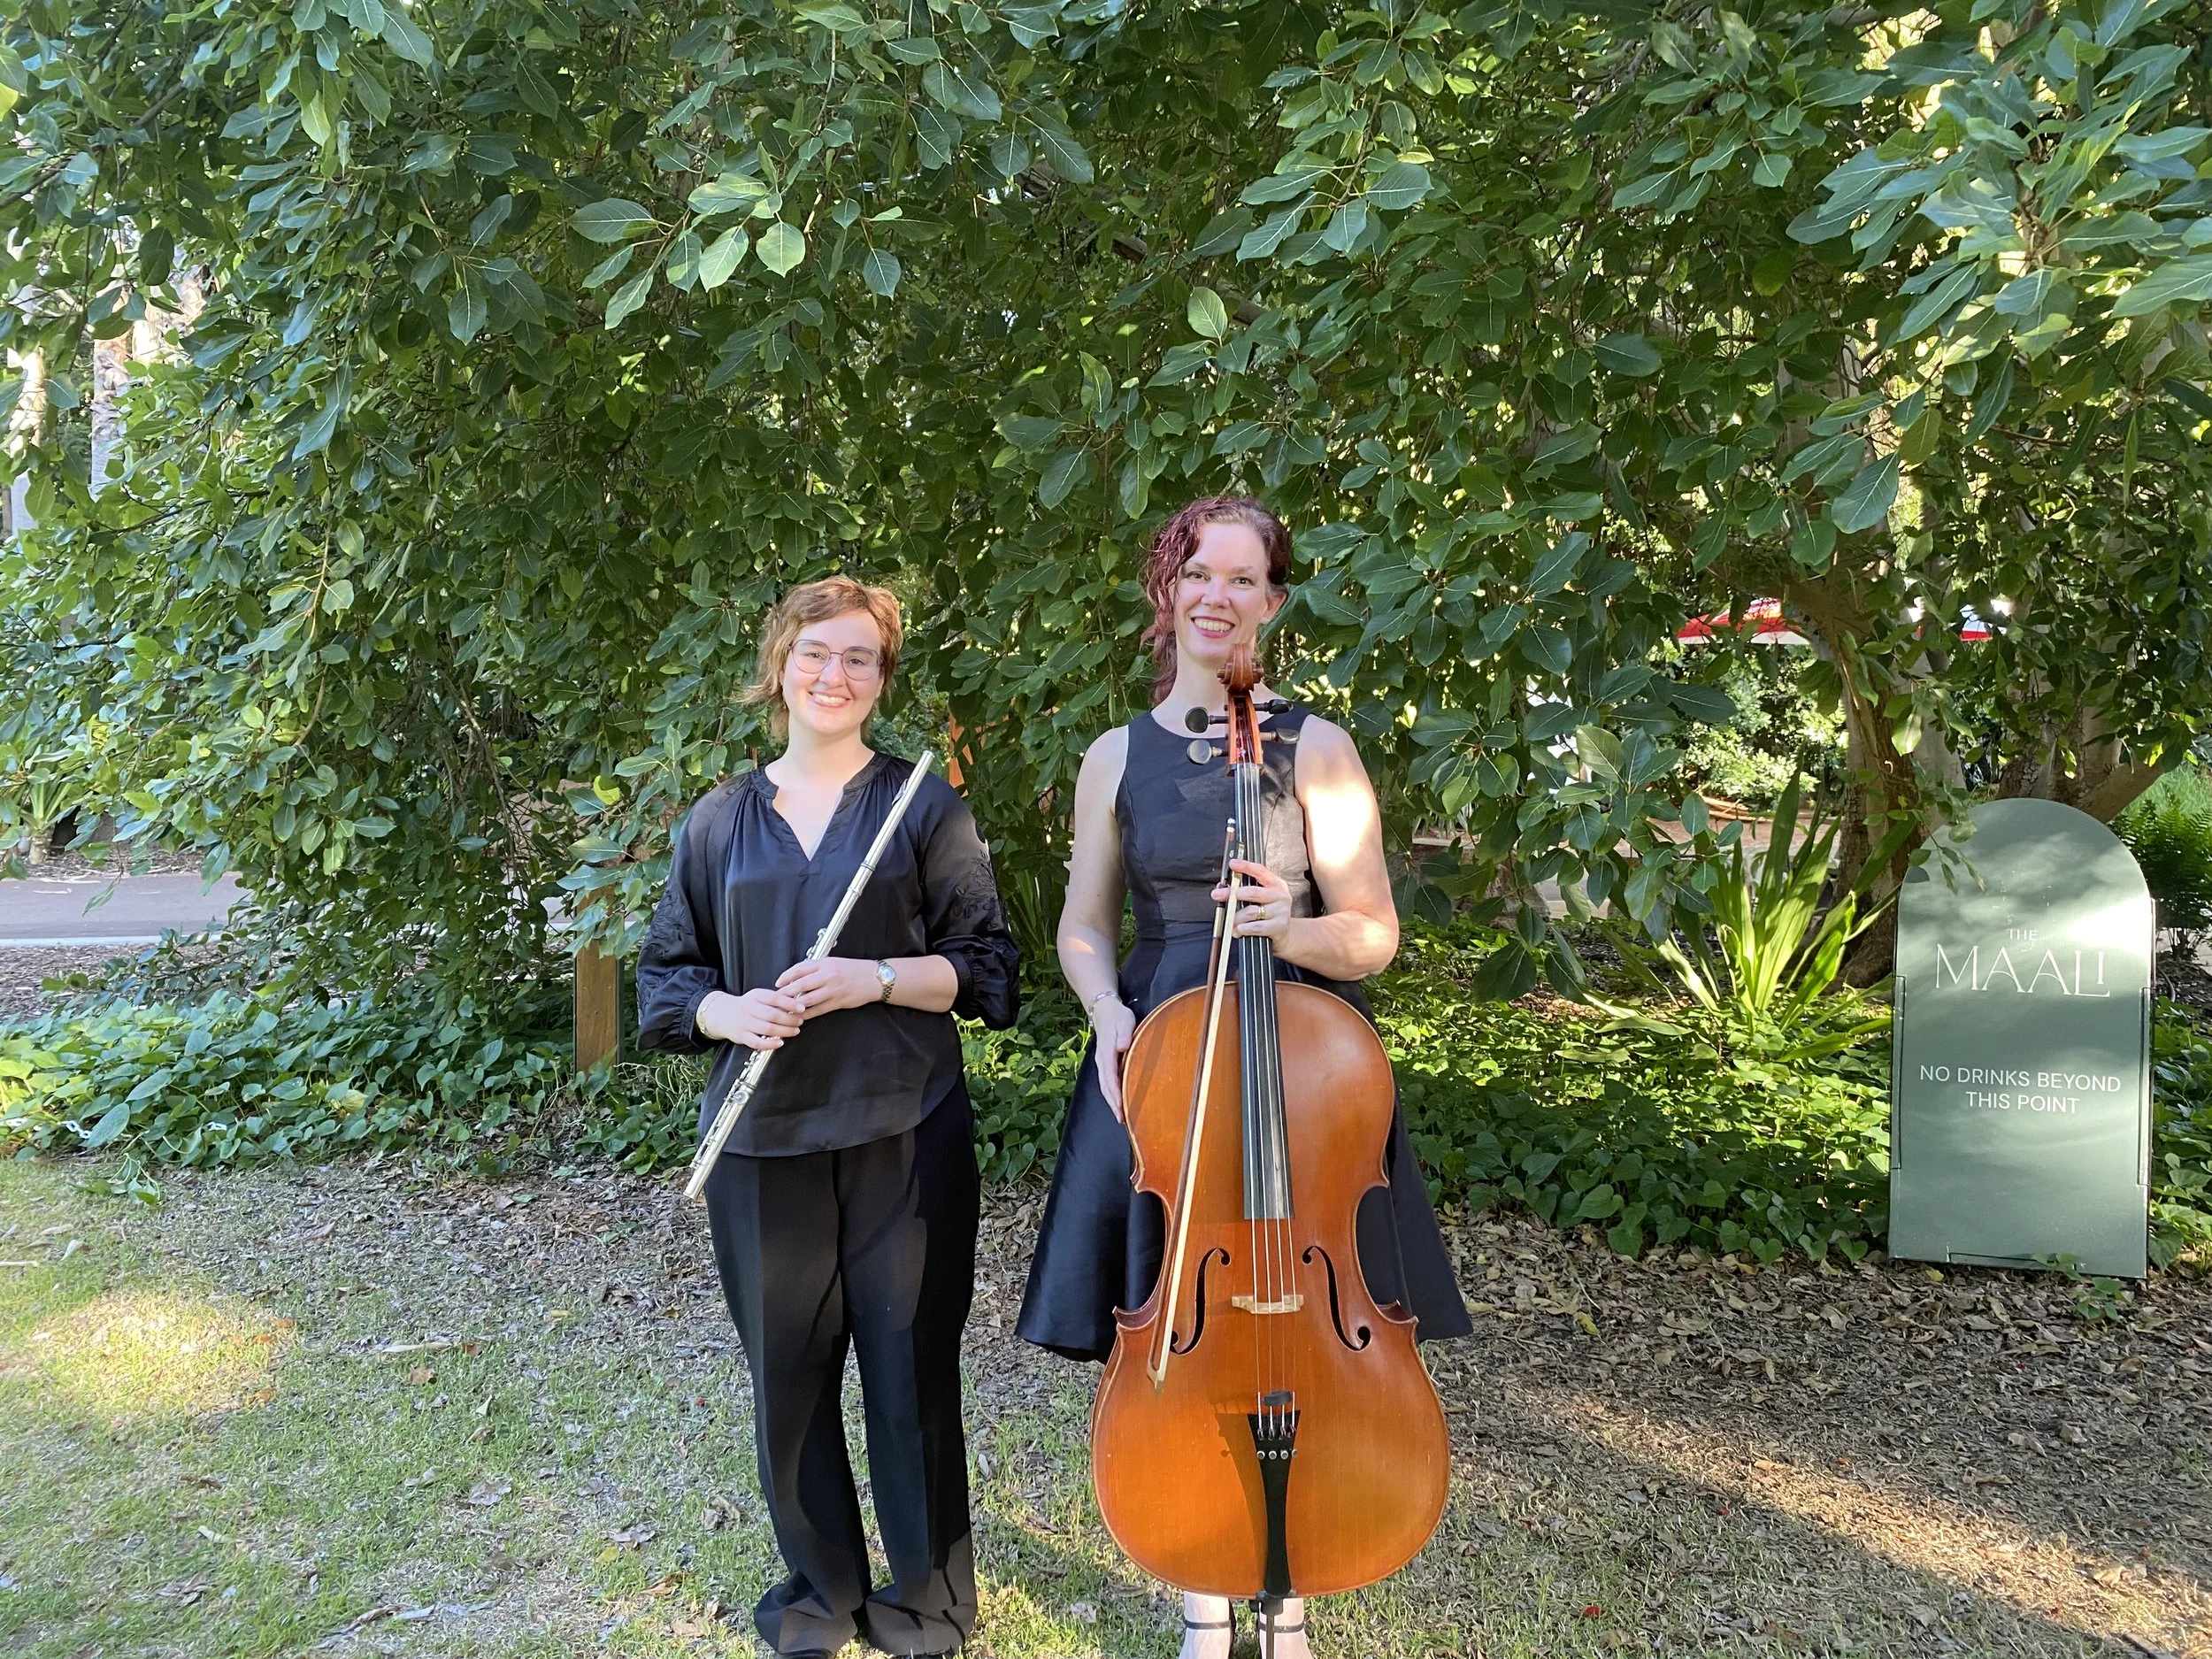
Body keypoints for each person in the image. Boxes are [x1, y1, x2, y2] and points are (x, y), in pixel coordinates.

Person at [1015, 496, 1471, 1659]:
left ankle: (1293, 1592)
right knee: (1174, 1315)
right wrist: (1108, 1015)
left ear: (1272, 599)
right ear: (1168, 590)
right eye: (1196, 573)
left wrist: (1289, 924)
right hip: (1163, 1060)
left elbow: (1372, 933)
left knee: (1305, 1308)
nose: (1215, 595)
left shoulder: (1315, 746)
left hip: (1296, 1056)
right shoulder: (1115, 755)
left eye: (1241, 578)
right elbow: (1082, 925)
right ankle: (1203, 1591)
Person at [638, 576, 1020, 1659]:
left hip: (906, 1128)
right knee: (790, 1374)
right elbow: (667, 980)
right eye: (815, 652)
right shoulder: (719, 818)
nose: (833, 674)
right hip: (764, 1140)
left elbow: (989, 970)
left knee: (910, 1371)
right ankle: (821, 1592)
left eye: (859, 657)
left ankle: (929, 1601)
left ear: (882, 678)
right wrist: (726, 1009)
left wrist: (874, 979)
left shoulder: (924, 806)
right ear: (780, 665)